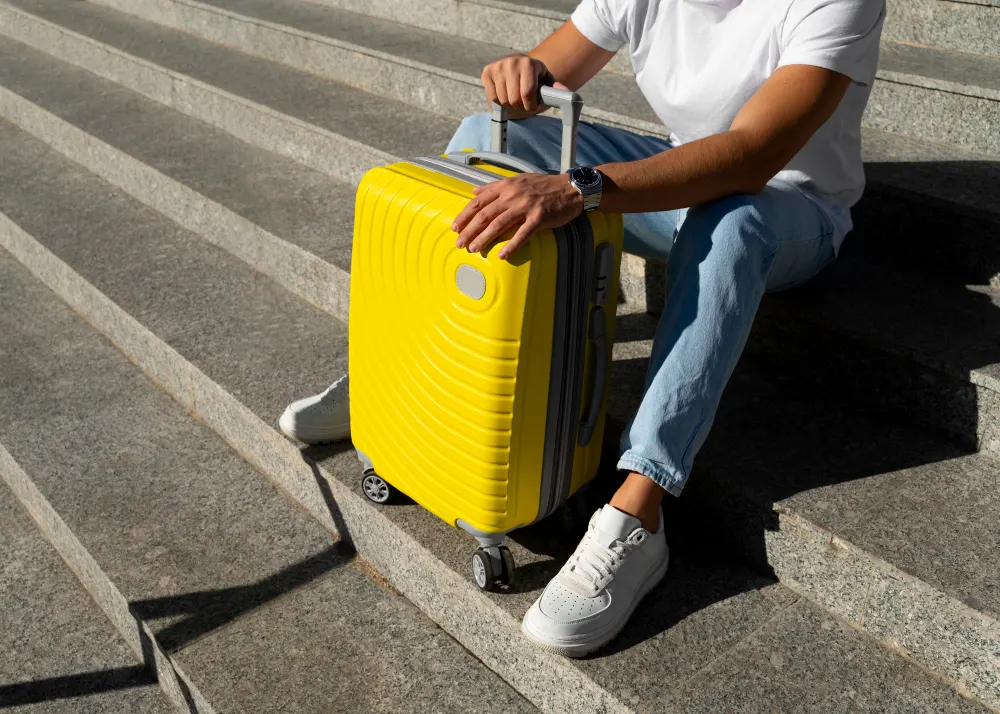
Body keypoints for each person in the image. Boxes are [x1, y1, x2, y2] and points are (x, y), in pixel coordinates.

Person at [280, 0, 886, 657]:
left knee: (733, 223)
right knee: (481, 138)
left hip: (792, 207)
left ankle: (638, 508)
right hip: (681, 174)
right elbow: (548, 74)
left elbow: (751, 155)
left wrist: (581, 188)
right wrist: (521, 77)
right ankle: (402, 375)